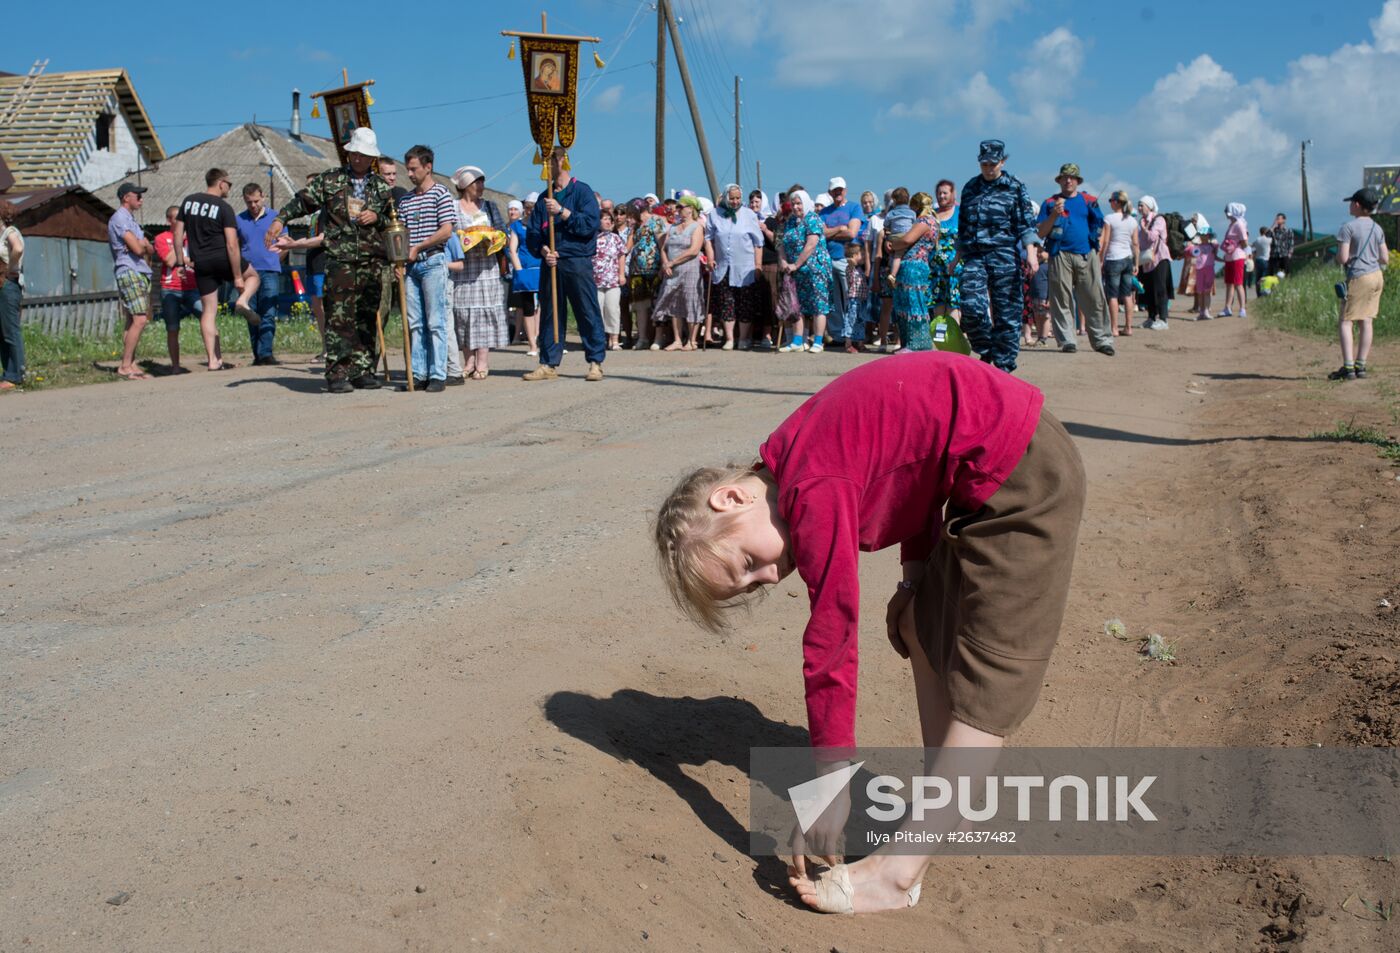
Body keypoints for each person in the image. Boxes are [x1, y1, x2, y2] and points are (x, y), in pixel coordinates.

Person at [653, 351, 1084, 915]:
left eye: (746, 564)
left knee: (994, 674)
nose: (767, 576)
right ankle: (947, 800)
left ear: (733, 498)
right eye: (752, 585)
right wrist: (913, 577)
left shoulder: (811, 486)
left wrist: (830, 784)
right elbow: (917, 461)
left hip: (1026, 476)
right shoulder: (793, 463)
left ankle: (898, 873)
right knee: (921, 622)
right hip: (983, 475)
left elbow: (832, 638)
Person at [265, 127, 391, 393]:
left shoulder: (381, 187)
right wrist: (280, 219)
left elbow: (392, 223)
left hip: (371, 261)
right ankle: (337, 372)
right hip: (339, 259)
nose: (357, 159)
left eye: (362, 155)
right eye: (353, 154)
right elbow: (303, 201)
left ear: (372, 158)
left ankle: (363, 370)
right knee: (339, 317)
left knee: (366, 316)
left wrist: (377, 218)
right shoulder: (330, 180)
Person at [956, 140, 1040, 372]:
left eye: (993, 163)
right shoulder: (971, 188)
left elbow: (1026, 224)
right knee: (970, 307)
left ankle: (1003, 369)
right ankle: (987, 349)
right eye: (984, 163)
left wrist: (1031, 255)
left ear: (1002, 161)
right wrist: (956, 259)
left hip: (1004, 255)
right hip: (975, 256)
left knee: (1008, 316)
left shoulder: (1014, 187)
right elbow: (963, 229)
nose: (989, 167)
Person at [524, 147, 607, 381]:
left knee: (586, 310)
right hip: (551, 263)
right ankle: (548, 363)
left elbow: (589, 225)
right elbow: (533, 234)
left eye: (549, 161)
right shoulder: (543, 198)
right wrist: (543, 250)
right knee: (550, 313)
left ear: (561, 161)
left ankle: (595, 361)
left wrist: (562, 212)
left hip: (576, 261)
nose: (545, 167)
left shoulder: (582, 191)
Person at [1035, 163, 1114, 357]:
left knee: (1094, 298)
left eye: (1072, 178)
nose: (1068, 180)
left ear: (1077, 181)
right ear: (1059, 180)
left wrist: (1098, 252)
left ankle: (1102, 340)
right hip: (1060, 254)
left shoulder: (1088, 201)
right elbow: (1041, 232)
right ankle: (1067, 340)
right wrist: (1054, 214)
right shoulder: (1050, 203)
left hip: (1087, 254)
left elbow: (1100, 226)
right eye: (1064, 177)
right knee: (1061, 299)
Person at [395, 144, 456, 392]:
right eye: (407, 169)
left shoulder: (441, 193)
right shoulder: (406, 200)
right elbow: (400, 233)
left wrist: (418, 247)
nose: (409, 174)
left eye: (413, 169)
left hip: (432, 262)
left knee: (435, 321)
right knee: (415, 323)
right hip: (410, 267)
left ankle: (438, 374)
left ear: (428, 167)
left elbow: (446, 230)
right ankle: (418, 373)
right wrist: (398, 260)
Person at [174, 168, 243, 371]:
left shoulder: (188, 202)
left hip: (200, 263)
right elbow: (232, 244)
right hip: (222, 258)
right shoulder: (224, 207)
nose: (229, 188)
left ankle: (213, 360)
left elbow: (178, 235)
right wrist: (237, 276)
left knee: (209, 311)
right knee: (253, 276)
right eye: (229, 184)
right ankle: (243, 300)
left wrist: (180, 263)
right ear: (221, 182)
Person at [449, 165, 507, 382]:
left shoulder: (490, 207)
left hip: (487, 270)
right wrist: (463, 239)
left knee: (483, 316)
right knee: (462, 316)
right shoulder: (453, 207)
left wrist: (494, 237)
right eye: (477, 183)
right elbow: (449, 234)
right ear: (465, 185)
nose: (481, 186)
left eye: (482, 182)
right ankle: (469, 361)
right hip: (463, 269)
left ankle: (482, 361)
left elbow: (503, 232)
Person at [1330, 187, 1390, 381]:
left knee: (1346, 322)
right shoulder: (1377, 228)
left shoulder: (1348, 227)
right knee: (1367, 320)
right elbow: (1385, 258)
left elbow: (1343, 257)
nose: (1349, 205)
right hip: (1377, 277)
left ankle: (1348, 368)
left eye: (1351, 202)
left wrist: (1342, 258)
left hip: (1359, 277)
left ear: (1357, 205)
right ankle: (1361, 365)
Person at [705, 183, 764, 350]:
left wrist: (758, 265)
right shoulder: (715, 214)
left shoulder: (749, 215)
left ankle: (744, 338)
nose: (735, 201)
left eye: (738, 198)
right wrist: (710, 258)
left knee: (745, 303)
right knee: (727, 302)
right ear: (725, 197)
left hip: (744, 266)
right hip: (723, 266)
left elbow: (758, 243)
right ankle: (730, 338)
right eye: (732, 198)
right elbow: (708, 238)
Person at [108, 182, 155, 380]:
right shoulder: (120, 219)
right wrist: (141, 244)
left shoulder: (131, 220)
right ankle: (125, 365)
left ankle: (130, 363)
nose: (141, 199)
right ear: (126, 197)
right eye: (138, 195)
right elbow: (138, 249)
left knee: (131, 320)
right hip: (129, 270)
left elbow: (149, 248)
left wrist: (142, 244)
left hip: (138, 270)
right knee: (140, 319)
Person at [777, 189, 832, 353]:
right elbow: (782, 243)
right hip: (796, 270)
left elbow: (811, 244)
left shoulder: (813, 218)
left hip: (815, 269)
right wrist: (784, 261)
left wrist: (796, 264)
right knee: (798, 305)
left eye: (799, 203)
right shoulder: (791, 221)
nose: (795, 207)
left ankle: (818, 341)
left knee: (818, 305)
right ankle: (797, 340)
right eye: (793, 204)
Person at [235, 184, 285, 365]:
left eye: (256, 201)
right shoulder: (239, 219)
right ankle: (257, 354)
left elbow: (285, 243)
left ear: (263, 197)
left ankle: (266, 353)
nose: (253, 205)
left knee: (269, 312)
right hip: (249, 273)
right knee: (252, 313)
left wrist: (274, 260)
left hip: (270, 271)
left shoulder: (275, 218)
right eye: (249, 203)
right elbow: (234, 246)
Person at [886, 191, 939, 351]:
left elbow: (907, 240)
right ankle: (908, 343)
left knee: (911, 304)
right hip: (921, 265)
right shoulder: (935, 222)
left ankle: (916, 344)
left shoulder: (923, 221)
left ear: (916, 206)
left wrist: (892, 245)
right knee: (909, 303)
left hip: (912, 265)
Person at [654, 197, 707, 350]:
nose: (678, 210)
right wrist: (665, 264)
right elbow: (663, 248)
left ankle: (692, 340)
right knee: (673, 302)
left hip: (690, 269)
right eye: (678, 207)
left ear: (691, 209)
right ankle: (677, 340)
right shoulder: (672, 228)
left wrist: (672, 262)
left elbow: (694, 250)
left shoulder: (697, 227)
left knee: (691, 302)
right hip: (672, 271)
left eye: (682, 207)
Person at [818, 176, 864, 350]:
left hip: (847, 260)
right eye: (834, 190)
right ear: (830, 192)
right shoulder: (824, 212)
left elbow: (852, 233)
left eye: (840, 189)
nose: (838, 192)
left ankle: (852, 334)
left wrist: (830, 232)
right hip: (829, 259)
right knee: (834, 300)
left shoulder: (854, 207)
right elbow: (820, 234)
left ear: (845, 190)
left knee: (851, 299)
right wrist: (839, 229)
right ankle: (838, 334)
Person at [154, 205, 202, 372]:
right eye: (178, 218)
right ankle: (175, 366)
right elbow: (169, 261)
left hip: (192, 287)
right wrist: (178, 240)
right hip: (170, 288)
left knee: (207, 317)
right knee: (173, 327)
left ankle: (215, 359)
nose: (183, 221)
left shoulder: (193, 239)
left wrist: (185, 258)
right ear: (169, 220)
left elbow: (199, 261)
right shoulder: (161, 238)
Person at [628, 201, 666, 350]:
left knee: (657, 304)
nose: (630, 217)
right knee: (640, 306)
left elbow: (662, 243)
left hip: (654, 268)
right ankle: (642, 338)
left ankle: (658, 338)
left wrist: (663, 265)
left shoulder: (655, 221)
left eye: (632, 213)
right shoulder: (636, 226)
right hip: (637, 270)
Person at [1099, 190, 1138, 336]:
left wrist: (1101, 259)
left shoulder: (1109, 218)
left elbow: (1105, 240)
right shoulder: (1132, 220)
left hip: (1114, 258)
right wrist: (1136, 262)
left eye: (1111, 200)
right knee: (1127, 294)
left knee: (1113, 295)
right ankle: (1128, 327)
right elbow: (1135, 244)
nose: (1110, 203)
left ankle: (1114, 328)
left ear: (1116, 202)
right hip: (1128, 258)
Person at [507, 194, 541, 355]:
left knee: (543, 306)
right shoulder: (517, 226)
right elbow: (512, 249)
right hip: (525, 269)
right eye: (527, 207)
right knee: (527, 306)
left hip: (541, 268)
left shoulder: (543, 225)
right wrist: (519, 270)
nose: (529, 211)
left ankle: (541, 337)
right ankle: (532, 344)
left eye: (533, 207)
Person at [929, 179, 963, 332]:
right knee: (938, 306)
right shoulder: (932, 214)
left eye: (945, 193)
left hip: (954, 267)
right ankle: (941, 340)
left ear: (953, 194)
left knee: (953, 305)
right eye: (939, 193)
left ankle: (953, 341)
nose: (942, 196)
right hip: (935, 269)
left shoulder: (960, 213)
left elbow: (964, 239)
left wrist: (956, 261)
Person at [593, 207, 628, 350]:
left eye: (609, 219)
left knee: (613, 309)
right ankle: (599, 340)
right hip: (595, 280)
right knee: (597, 310)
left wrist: (621, 274)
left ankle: (614, 340)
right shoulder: (592, 238)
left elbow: (621, 255)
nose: (608, 222)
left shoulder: (616, 238)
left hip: (612, 279)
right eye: (605, 219)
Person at [1136, 196, 1172, 330]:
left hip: (1160, 258)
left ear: (1149, 206)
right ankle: (1151, 317)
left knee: (1160, 289)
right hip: (1147, 260)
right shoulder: (1142, 220)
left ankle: (1163, 319)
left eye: (1142, 205)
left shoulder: (1159, 219)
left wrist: (1144, 229)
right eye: (1138, 205)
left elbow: (1152, 237)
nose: (1139, 208)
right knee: (1149, 289)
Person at [0, 200, 24, 391]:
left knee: (10, 330)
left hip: (9, 284)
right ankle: (8, 373)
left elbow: (18, 248)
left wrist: (9, 268)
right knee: (2, 331)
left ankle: (15, 375)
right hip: (2, 284)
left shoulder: (10, 232)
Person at [1218, 203, 1249, 318]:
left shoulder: (1239, 224)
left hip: (1237, 257)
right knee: (1229, 283)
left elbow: (1245, 242)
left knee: (1238, 284)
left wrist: (1234, 244)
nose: (1226, 213)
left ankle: (1242, 309)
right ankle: (1227, 308)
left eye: (1227, 211)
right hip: (1230, 257)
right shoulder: (1234, 223)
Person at [1268, 213, 1294, 278]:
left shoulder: (1288, 230)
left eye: (1279, 219)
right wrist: (1273, 225)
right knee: (1272, 273)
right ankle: (1273, 287)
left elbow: (1291, 243)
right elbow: (1267, 236)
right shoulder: (1274, 230)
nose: (1277, 220)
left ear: (1284, 220)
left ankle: (1286, 285)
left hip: (1284, 254)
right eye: (1276, 219)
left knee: (1286, 273)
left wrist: (1289, 254)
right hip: (1274, 255)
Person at [1251, 228, 1272, 300]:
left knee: (1258, 278)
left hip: (1258, 260)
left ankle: (1258, 295)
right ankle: (1264, 293)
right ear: (1266, 232)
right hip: (1265, 260)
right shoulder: (1269, 240)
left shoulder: (1257, 240)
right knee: (1264, 278)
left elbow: (1252, 246)